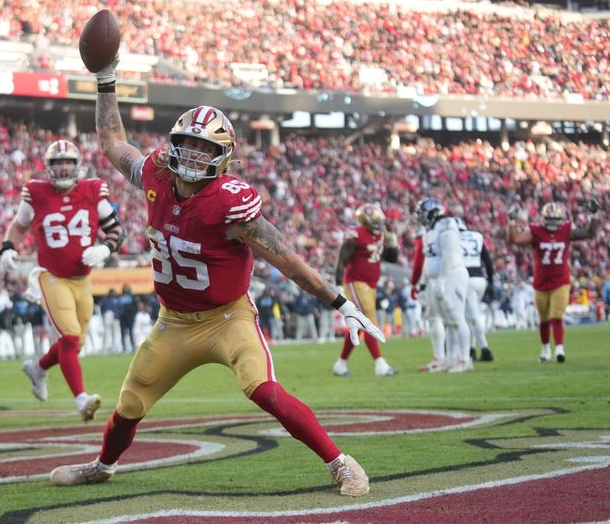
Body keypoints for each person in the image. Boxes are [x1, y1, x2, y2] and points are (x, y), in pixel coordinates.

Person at [48, 56, 385, 497]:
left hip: (228, 318)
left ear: (222, 157)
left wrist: (340, 303)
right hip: (173, 322)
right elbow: (112, 141)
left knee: (262, 389)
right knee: (129, 403)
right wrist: (105, 79)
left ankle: (341, 463)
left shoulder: (229, 202)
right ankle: (103, 466)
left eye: (205, 148)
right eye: (187, 144)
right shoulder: (156, 175)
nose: (193, 154)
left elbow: (286, 258)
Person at [0, 138, 125, 421]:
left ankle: (38, 368)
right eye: (59, 164)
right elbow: (18, 225)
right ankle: (81, 399)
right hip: (51, 276)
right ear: (49, 167)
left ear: (77, 166)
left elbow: (116, 230)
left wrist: (105, 248)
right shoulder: (36, 192)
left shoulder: (93, 190)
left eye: (69, 163)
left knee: (76, 344)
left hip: (82, 279)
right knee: (68, 337)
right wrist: (7, 247)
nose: (64, 169)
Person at [507, 199, 599, 362]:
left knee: (556, 315)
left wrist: (594, 215)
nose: (553, 222)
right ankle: (545, 350)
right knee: (543, 319)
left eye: (555, 219)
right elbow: (515, 239)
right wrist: (511, 221)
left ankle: (559, 349)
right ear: (544, 219)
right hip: (541, 282)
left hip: (561, 281)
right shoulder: (536, 231)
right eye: (550, 219)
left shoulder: (566, 230)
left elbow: (589, 233)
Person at [331, 203, 398, 377]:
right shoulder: (356, 235)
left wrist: (392, 243)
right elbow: (341, 261)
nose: (378, 224)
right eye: (374, 220)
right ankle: (380, 364)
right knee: (369, 320)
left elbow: (391, 258)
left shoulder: (379, 235)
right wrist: (338, 286)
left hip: (370, 284)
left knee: (359, 324)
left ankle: (340, 365)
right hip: (356, 282)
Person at [411, 198, 471, 373]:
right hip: (436, 279)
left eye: (422, 214)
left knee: (456, 318)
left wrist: (442, 280)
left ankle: (464, 359)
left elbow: (449, 256)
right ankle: (449, 359)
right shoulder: (429, 231)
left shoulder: (446, 224)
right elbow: (428, 260)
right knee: (445, 321)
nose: (420, 217)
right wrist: (423, 284)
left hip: (453, 275)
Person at [455, 217, 495, 362]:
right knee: (469, 316)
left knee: (472, 317)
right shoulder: (476, 236)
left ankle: (485, 349)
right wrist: (491, 282)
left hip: (465, 279)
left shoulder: (452, 237)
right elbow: (488, 261)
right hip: (480, 279)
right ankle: (471, 349)